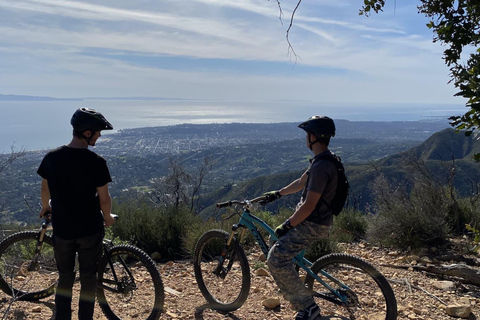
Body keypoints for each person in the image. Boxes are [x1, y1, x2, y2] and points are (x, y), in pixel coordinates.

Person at [37, 108, 116, 320]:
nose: (99, 135)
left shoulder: (52, 158)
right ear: (87, 133)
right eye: (98, 132)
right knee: (88, 277)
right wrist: (107, 217)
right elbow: (104, 199)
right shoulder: (96, 162)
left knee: (65, 276)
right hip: (90, 229)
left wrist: (46, 207)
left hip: (63, 229)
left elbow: (45, 189)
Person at [264, 115, 338, 320]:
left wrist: (286, 225)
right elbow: (300, 183)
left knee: (276, 259)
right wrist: (278, 193)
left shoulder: (322, 167)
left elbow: (309, 205)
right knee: (275, 241)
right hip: (315, 221)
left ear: (313, 136)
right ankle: (293, 280)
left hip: (313, 223)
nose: (306, 138)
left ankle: (308, 307)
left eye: (307, 134)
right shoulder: (323, 160)